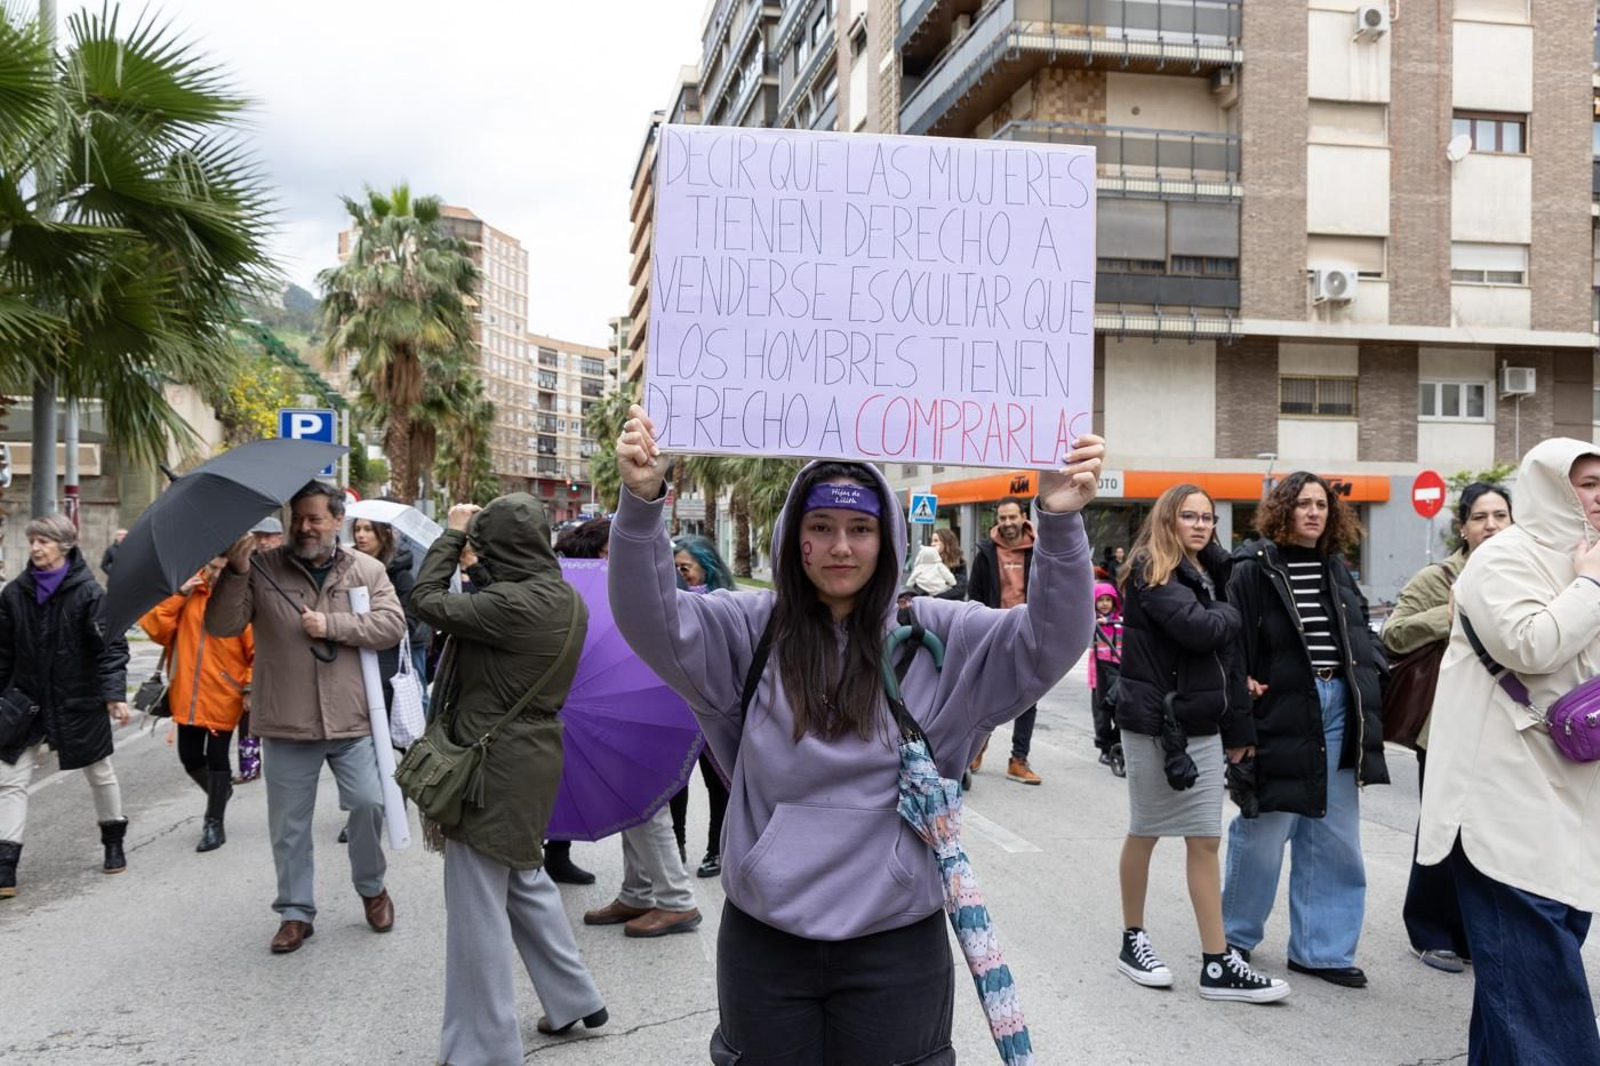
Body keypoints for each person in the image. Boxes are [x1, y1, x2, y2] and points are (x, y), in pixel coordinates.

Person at [609, 404, 1101, 1063]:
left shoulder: (943, 638)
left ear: (890, 540)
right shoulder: (746, 630)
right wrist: (640, 506)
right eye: (821, 526)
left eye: (861, 528)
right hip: (765, 945)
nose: (841, 546)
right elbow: (652, 621)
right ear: (795, 538)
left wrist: (1062, 522)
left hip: (897, 948)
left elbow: (1052, 640)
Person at [1418, 439, 1600, 1065]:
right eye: (1586, 483)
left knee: (1516, 997)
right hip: (1500, 803)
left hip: (1568, 799)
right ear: (1549, 487)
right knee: (1544, 996)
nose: (1599, 495)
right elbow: (1532, 645)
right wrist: (1594, 582)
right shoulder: (1501, 559)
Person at [413, 496, 608, 1064]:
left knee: (476, 912)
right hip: (529, 757)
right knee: (523, 881)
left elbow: (425, 601)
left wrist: (451, 537)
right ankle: (575, 998)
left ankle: (484, 1046)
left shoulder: (508, 605)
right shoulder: (561, 597)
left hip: (490, 767)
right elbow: (496, 598)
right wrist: (476, 562)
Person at [205, 481, 407, 954]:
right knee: (289, 825)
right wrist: (234, 571)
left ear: (338, 520)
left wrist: (332, 625)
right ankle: (295, 912)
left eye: (315, 518)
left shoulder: (368, 569)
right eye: (297, 518)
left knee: (367, 804)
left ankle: (372, 887)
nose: (304, 527)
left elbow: (392, 625)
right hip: (286, 719)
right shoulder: (259, 567)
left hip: (352, 718)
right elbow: (222, 626)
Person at [1112, 485, 1288, 1002]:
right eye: (1189, 516)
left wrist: (1240, 732)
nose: (1200, 525)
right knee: (1145, 830)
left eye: (1208, 517)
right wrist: (1233, 613)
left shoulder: (1212, 573)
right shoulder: (1152, 568)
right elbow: (1200, 630)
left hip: (1204, 724)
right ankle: (1133, 939)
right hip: (1156, 724)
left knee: (1205, 838)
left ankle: (1217, 963)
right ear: (1168, 519)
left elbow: (1229, 662)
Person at [1222, 472, 1387, 989]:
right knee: (1265, 828)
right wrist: (1239, 722)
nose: (1314, 512)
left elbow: (1358, 632)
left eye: (1322, 505)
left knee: (1335, 834)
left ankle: (1323, 950)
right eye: (1302, 504)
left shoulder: (1336, 568)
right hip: (1279, 706)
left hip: (1339, 704)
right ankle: (1235, 937)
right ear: (1282, 511)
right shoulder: (1252, 568)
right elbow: (1233, 650)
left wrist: (1372, 673)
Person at [1382, 482, 1511, 975]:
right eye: (1481, 517)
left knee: (1491, 834)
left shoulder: (1527, 576)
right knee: (1442, 827)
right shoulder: (1440, 578)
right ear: (1463, 527)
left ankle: (1472, 932)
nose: (1492, 526)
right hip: (1445, 725)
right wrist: (1449, 612)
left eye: (1501, 515)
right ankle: (1430, 930)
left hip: (1506, 724)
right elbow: (1394, 633)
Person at [579, 519, 705, 938]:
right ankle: (638, 891)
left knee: (648, 807)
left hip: (647, 707)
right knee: (633, 806)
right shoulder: (630, 584)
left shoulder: (651, 585)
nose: (605, 559)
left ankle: (676, 901)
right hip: (626, 706)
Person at [0, 515, 131, 898]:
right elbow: (3, 654)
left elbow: (111, 649)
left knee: (99, 771)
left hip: (78, 700)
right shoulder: (13, 593)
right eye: (33, 541)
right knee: (10, 780)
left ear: (65, 544)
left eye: (44, 541)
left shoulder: (90, 594)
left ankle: (113, 840)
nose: (37, 548)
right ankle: (5, 866)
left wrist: (114, 695)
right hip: (25, 702)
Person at [139, 554, 254, 852]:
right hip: (187, 693)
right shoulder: (186, 592)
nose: (215, 574)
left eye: (221, 568)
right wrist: (178, 595)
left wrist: (250, 685)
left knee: (217, 757)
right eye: (211, 567)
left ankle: (213, 823)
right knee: (189, 757)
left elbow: (257, 648)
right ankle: (220, 792)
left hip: (224, 693)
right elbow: (156, 631)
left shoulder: (237, 599)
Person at [966, 496, 1045, 785]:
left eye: (1012, 517)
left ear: (1024, 517)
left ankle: (1018, 760)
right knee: (987, 695)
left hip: (1029, 633)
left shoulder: (1039, 551)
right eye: (1002, 518)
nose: (1008, 523)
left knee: (1029, 697)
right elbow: (974, 596)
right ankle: (977, 747)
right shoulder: (986, 552)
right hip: (994, 632)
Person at [668, 534, 735, 878]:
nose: (681, 575)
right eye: (675, 568)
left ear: (706, 568)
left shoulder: (727, 605)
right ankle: (675, 846)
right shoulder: (668, 606)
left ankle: (717, 849)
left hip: (711, 708)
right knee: (673, 783)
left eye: (686, 568)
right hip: (675, 708)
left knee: (718, 783)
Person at [234, 517, 284, 786]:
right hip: (250, 648)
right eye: (260, 536)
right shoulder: (247, 566)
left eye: (270, 536)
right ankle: (249, 764)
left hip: (281, 651)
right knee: (248, 714)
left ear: (280, 538)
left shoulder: (288, 565)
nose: (264, 541)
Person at [1088, 580, 1124, 774]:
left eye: (1108, 600)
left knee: (1120, 712)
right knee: (1101, 715)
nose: (1104, 604)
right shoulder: (1092, 622)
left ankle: (1117, 743)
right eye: (1100, 600)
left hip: (1118, 673)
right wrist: (1095, 624)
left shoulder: (1120, 622)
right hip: (1099, 676)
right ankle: (1104, 746)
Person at [931, 526, 967, 600]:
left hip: (952, 607)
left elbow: (960, 590)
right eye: (932, 541)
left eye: (936, 541)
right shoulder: (929, 561)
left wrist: (934, 598)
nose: (932, 544)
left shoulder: (959, 564)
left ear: (946, 542)